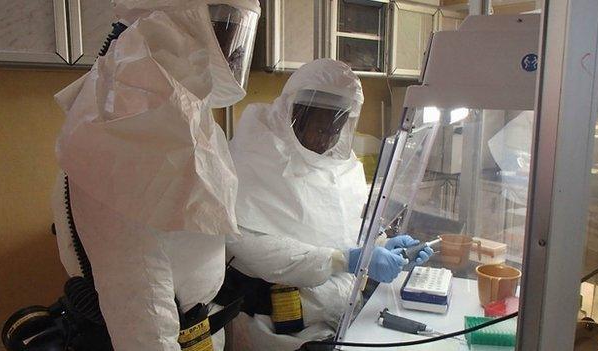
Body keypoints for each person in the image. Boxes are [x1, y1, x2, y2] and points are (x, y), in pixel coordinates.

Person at [51, 1, 260, 350]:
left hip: (194, 325)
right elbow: (137, 295)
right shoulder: (123, 125)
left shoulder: (181, 112)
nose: (235, 48)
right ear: (176, 22)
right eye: (223, 26)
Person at [226, 58, 433, 350]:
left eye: (335, 131)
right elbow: (247, 245)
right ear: (294, 112)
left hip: (337, 315)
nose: (326, 141)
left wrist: (382, 245)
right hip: (276, 326)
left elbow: (349, 226)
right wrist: (344, 259)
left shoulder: (340, 165)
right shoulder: (254, 156)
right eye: (320, 130)